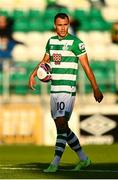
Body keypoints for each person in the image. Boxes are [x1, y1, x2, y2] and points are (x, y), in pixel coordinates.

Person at [29, 13, 103, 172]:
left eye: (65, 25)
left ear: (69, 24)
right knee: (61, 127)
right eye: (59, 25)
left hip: (67, 89)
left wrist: (95, 88)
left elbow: (87, 67)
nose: (62, 28)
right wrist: (33, 74)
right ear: (55, 25)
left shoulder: (76, 43)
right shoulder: (51, 41)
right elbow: (45, 61)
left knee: (62, 122)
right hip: (54, 89)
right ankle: (84, 159)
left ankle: (54, 163)